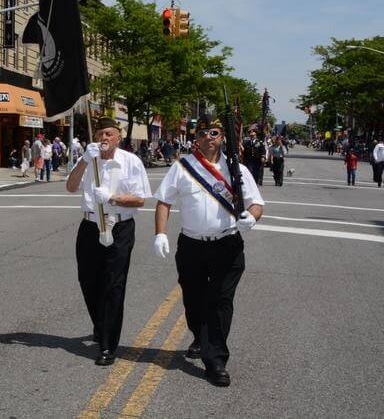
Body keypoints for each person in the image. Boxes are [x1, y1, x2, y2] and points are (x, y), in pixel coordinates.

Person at [153, 116, 264, 387]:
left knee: (220, 302)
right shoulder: (183, 167)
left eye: (214, 132)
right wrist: (160, 234)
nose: (208, 137)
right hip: (191, 245)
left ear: (222, 136)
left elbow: (256, 203)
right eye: (202, 133)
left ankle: (215, 360)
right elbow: (164, 201)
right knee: (193, 300)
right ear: (196, 138)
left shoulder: (236, 169)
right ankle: (200, 337)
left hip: (227, 244)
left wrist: (251, 217)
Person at [65, 117, 151, 366]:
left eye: (109, 134)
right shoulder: (89, 159)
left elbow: (139, 199)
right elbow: (71, 187)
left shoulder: (130, 161)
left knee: (113, 285)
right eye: (100, 133)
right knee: (88, 280)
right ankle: (101, 325)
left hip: (119, 225)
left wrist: (112, 198)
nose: (104, 138)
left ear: (118, 137)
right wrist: (83, 160)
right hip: (90, 225)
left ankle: (107, 345)